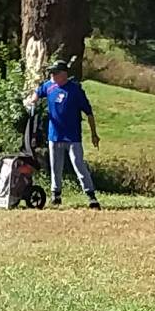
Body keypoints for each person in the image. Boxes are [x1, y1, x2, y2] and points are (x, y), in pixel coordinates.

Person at [38, 59, 102, 209]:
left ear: (63, 74)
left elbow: (89, 113)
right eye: (51, 73)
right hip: (54, 135)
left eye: (55, 73)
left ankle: (91, 195)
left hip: (72, 137)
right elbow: (37, 94)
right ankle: (56, 195)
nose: (52, 76)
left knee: (78, 164)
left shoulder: (75, 90)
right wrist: (31, 101)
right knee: (55, 167)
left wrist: (94, 134)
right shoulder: (49, 86)